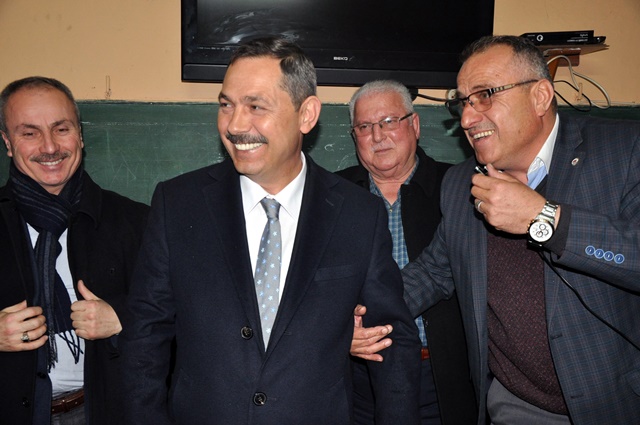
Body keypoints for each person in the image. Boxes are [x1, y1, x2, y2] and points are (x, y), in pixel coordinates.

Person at [120, 36, 421, 425]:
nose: (234, 125)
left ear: (306, 114)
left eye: (255, 106)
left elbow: (392, 342)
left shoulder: (357, 214)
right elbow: (144, 338)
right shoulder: (178, 205)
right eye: (226, 105)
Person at [352, 35, 640, 425]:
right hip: (513, 404)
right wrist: (358, 315)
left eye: (485, 95)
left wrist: (545, 219)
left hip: (617, 404)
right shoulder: (461, 183)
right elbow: (434, 273)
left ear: (540, 96)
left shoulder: (625, 150)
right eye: (463, 102)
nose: (467, 119)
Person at [0, 76, 148, 424]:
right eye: (30, 133)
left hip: (106, 414)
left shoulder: (137, 222)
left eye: (61, 129)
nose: (50, 147)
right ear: (8, 143)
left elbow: (183, 313)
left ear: (80, 135)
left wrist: (123, 317)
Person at [337, 80, 476, 424]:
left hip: (446, 381)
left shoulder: (461, 188)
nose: (377, 136)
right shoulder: (330, 197)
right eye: (364, 127)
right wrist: (337, 332)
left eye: (389, 121)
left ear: (414, 125)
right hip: (355, 381)